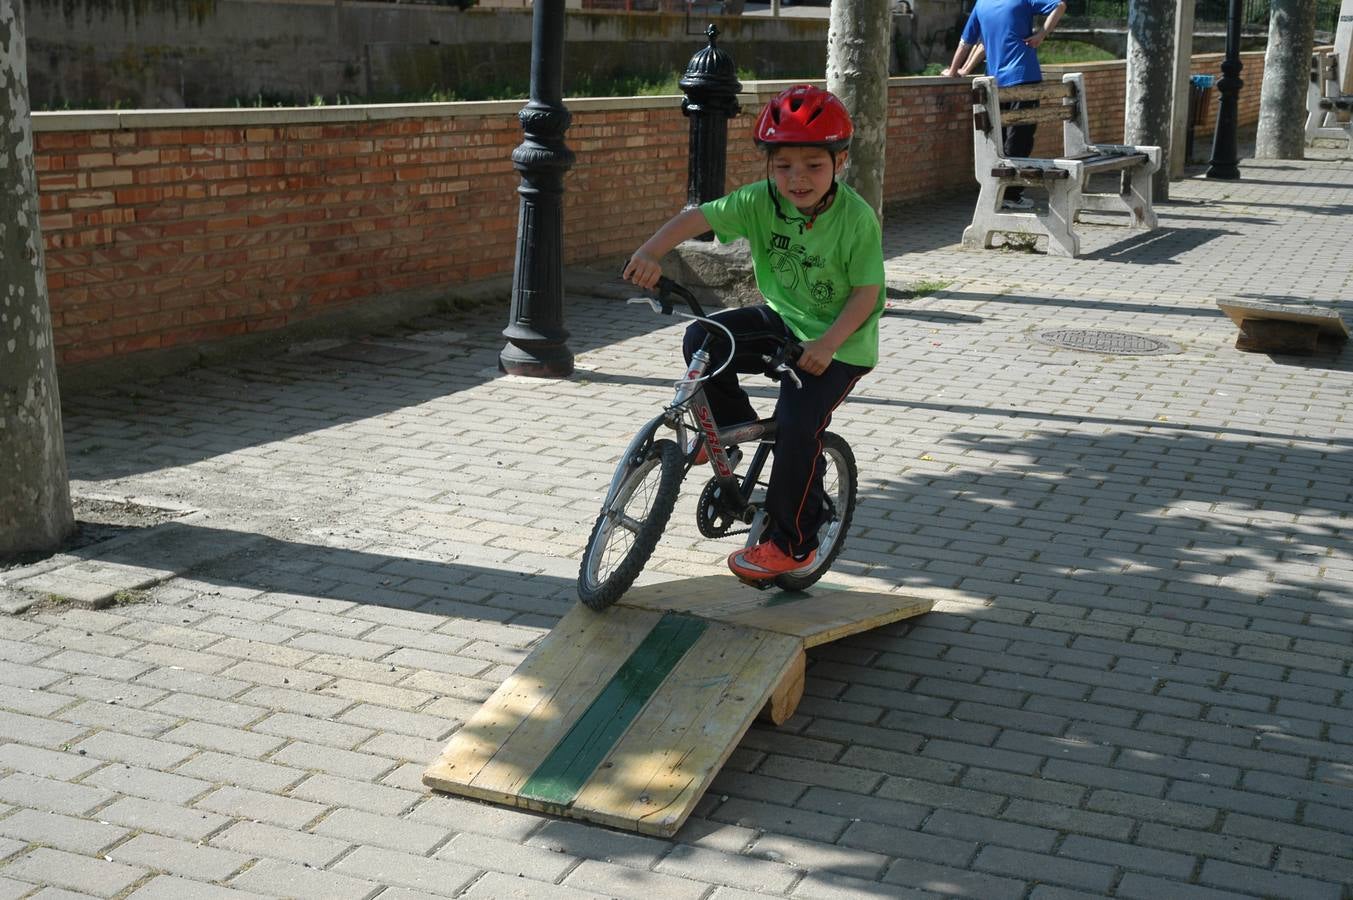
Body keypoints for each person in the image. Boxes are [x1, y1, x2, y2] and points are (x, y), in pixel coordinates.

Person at [622, 85, 884, 582]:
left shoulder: (856, 220)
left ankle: (793, 543)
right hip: (783, 321)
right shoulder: (760, 201)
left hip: (840, 344)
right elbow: (696, 217)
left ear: (840, 161)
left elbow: (866, 295)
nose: (797, 178)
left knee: (796, 426)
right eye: (783, 165)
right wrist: (651, 252)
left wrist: (826, 346)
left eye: (813, 165)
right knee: (703, 339)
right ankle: (732, 430)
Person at [945, 0, 1066, 208]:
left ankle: (998, 191)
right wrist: (1041, 35)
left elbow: (967, 43)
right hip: (1024, 77)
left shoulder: (982, 5)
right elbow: (1060, 5)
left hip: (995, 83)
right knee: (1020, 137)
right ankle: (1009, 195)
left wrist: (956, 71)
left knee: (1000, 136)